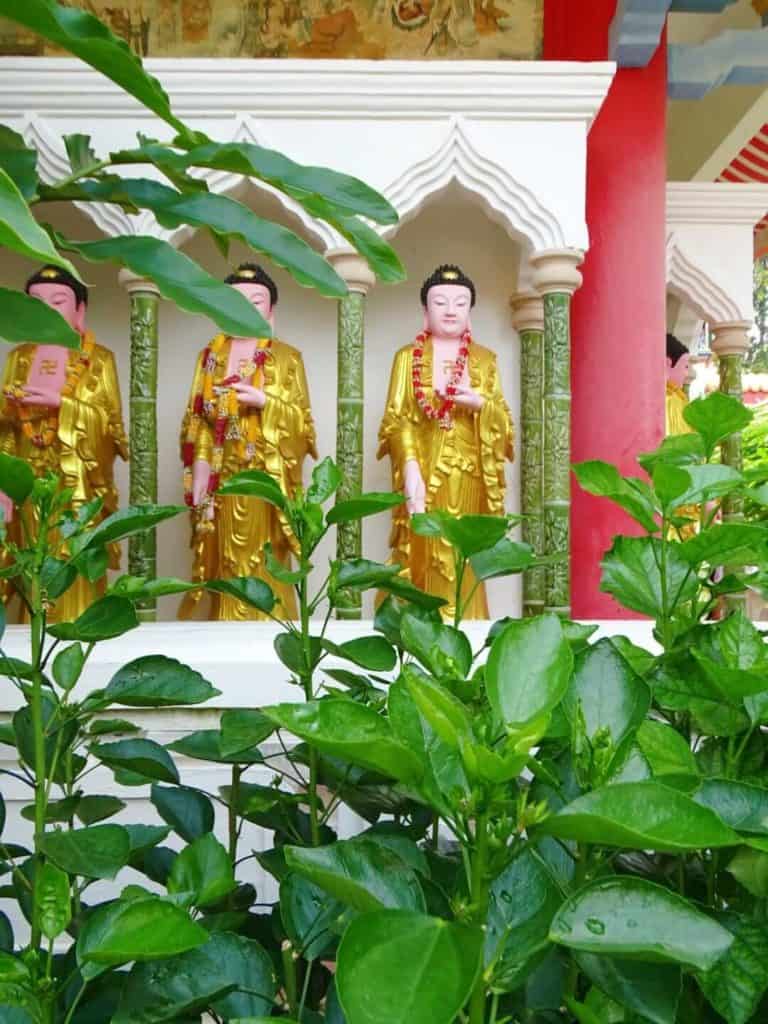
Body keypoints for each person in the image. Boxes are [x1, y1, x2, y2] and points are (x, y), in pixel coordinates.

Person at [179, 262, 316, 620]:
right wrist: (200, 473)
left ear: (271, 311)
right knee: (226, 563)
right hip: (222, 479)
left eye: (256, 301)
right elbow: (198, 421)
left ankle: (276, 622)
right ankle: (224, 618)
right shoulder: (210, 359)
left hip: (267, 478)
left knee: (268, 562)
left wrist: (265, 402)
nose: (245, 308)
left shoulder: (287, 359)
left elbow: (304, 426)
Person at [378, 263, 514, 619]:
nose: (450, 310)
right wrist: (409, 468)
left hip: (468, 472)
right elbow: (397, 420)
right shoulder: (407, 359)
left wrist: (480, 404)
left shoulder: (484, 360)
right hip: (422, 470)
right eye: (440, 302)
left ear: (470, 312)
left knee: (462, 555)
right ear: (425, 311)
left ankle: (466, 624)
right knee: (423, 551)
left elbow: (505, 422)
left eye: (460, 302)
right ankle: (420, 629)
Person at [0, 264, 128, 620]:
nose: (46, 310)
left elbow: (112, 428)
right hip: (28, 477)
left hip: (78, 486)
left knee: (75, 555)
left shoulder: (99, 359)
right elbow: (6, 430)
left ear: (80, 310)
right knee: (33, 557)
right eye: (36, 302)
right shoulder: (18, 358)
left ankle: (79, 624)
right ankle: (36, 630)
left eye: (58, 301)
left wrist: (63, 406)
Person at [665, 332, 692, 436]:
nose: (686, 374)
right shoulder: (668, 399)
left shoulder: (678, 398)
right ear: (667, 364)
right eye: (685, 366)